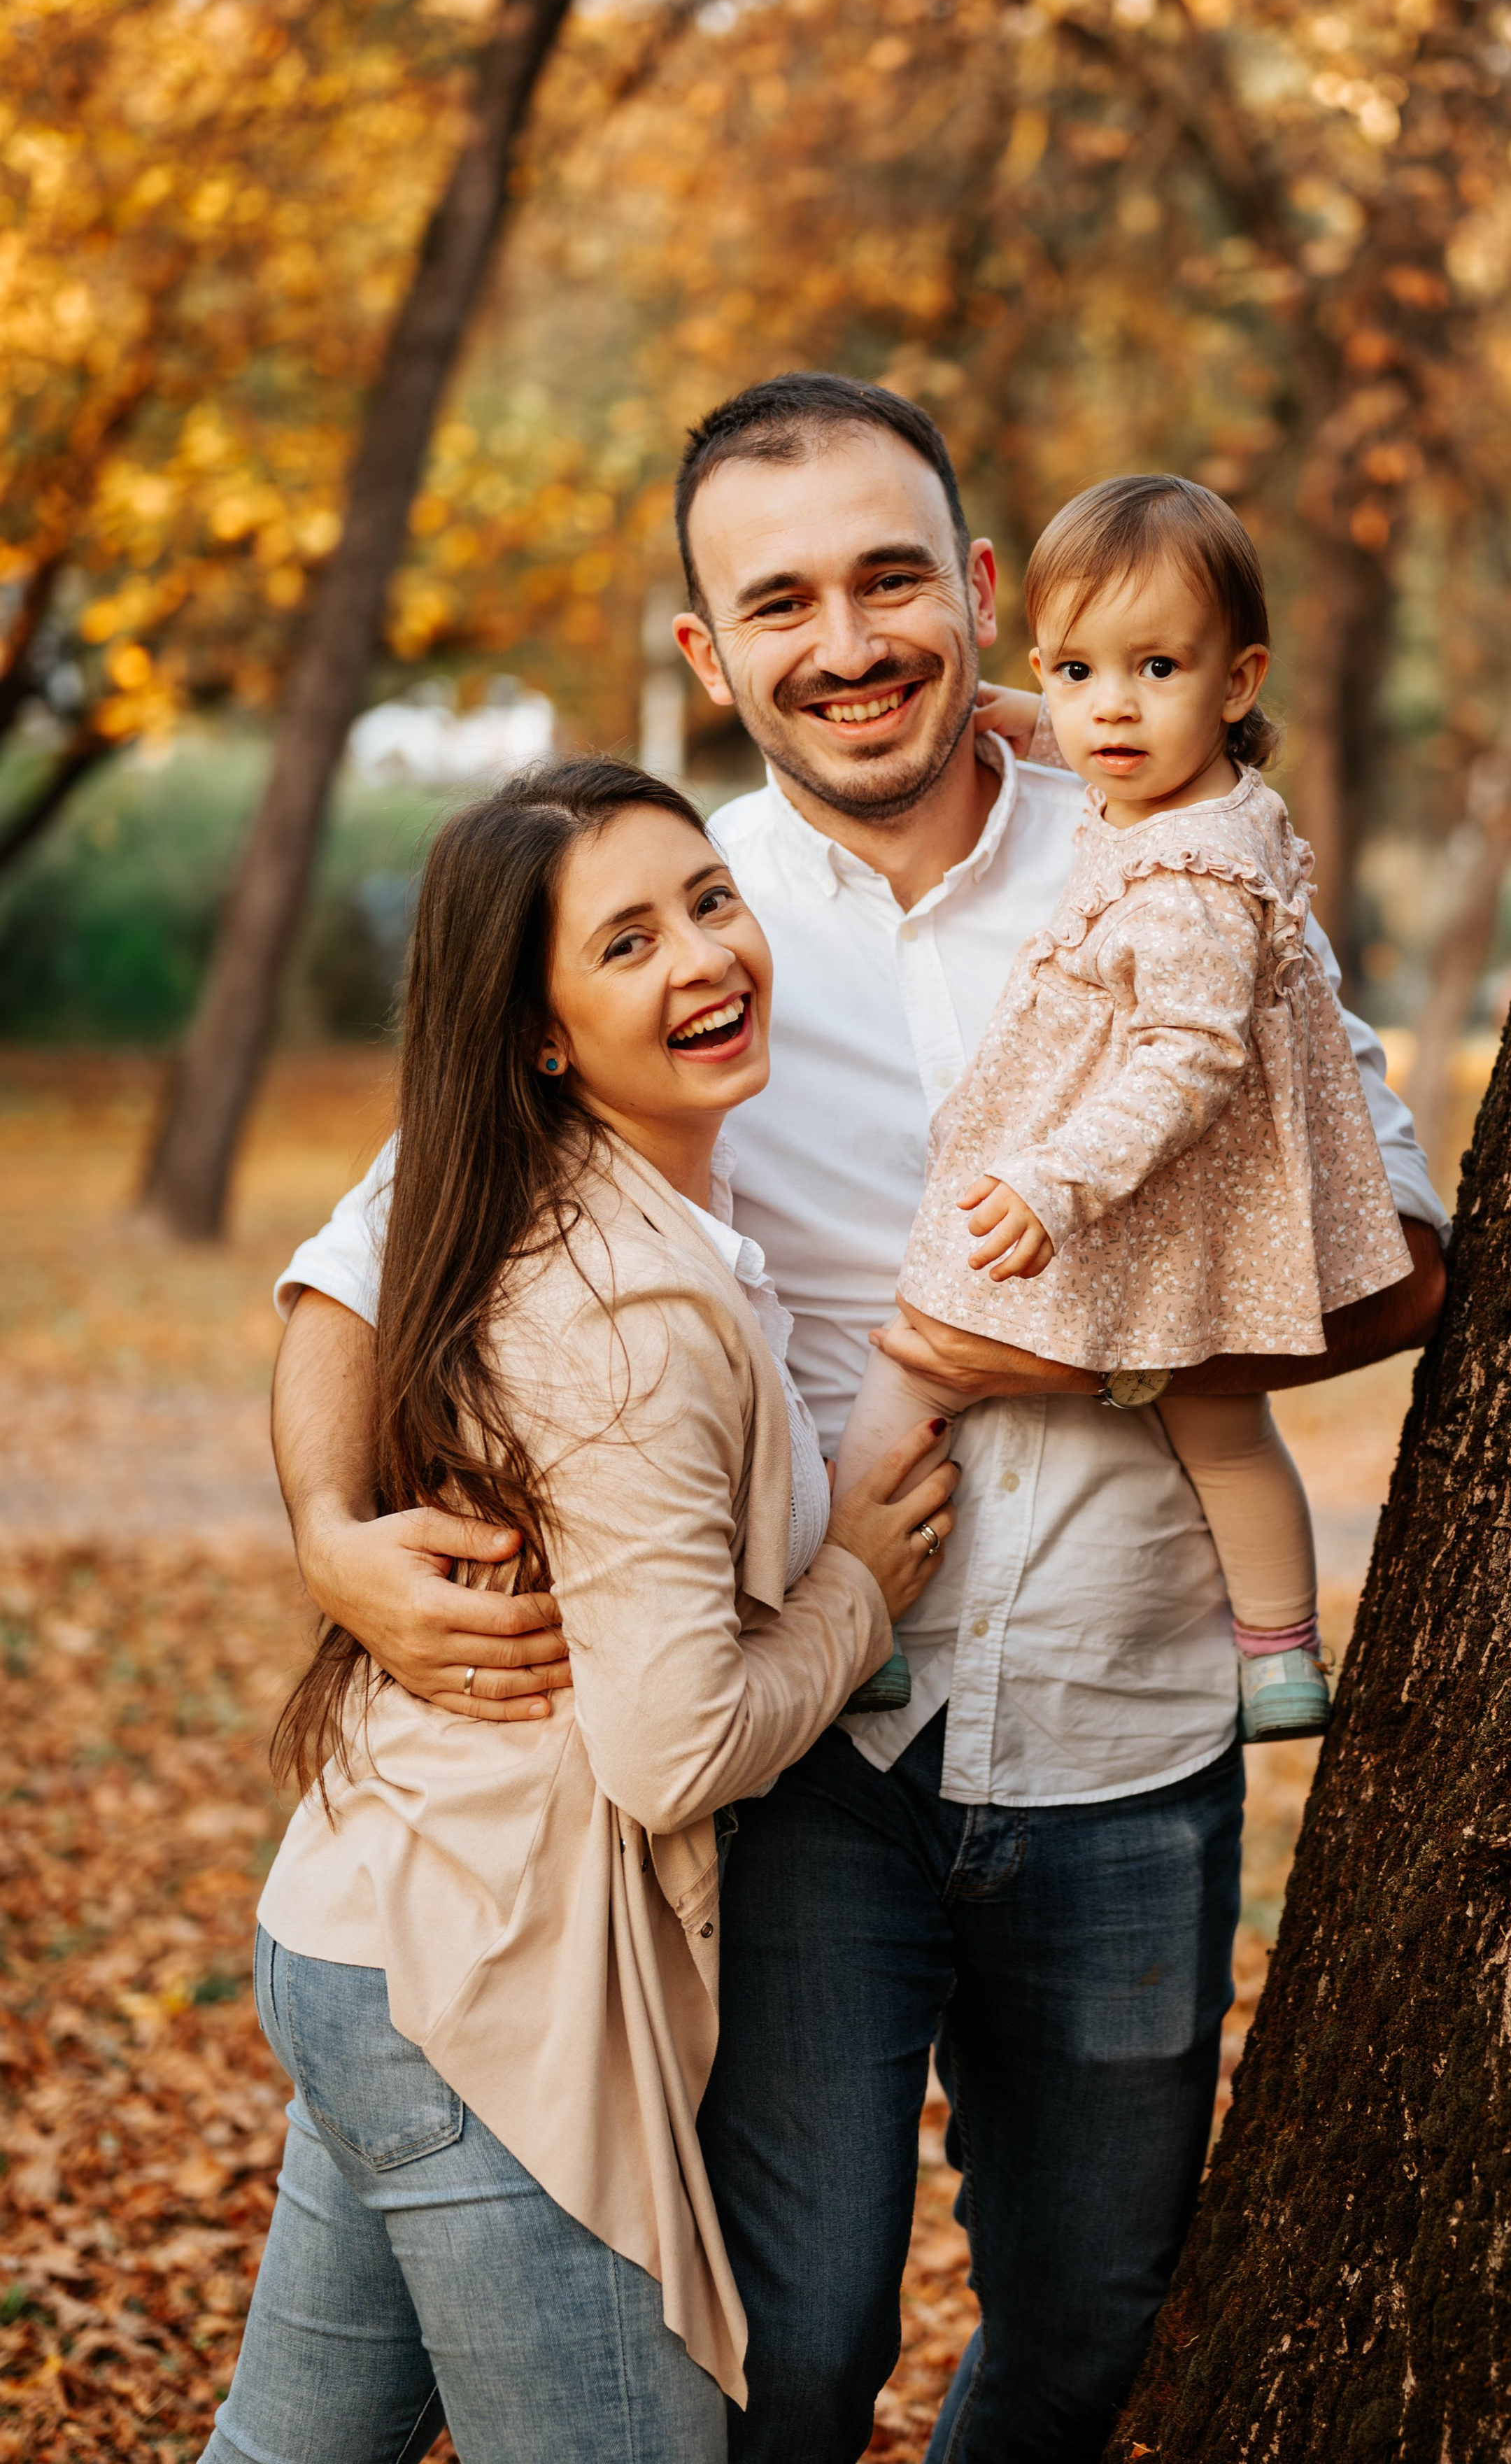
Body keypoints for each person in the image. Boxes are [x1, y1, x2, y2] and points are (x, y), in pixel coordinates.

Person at [269, 373, 1448, 2464]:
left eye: (893, 577)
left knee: (1094, 2319)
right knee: (791, 2355)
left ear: (979, 592)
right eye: (783, 602)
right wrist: (328, 1535)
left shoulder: (1179, 859)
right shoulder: (666, 915)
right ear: (714, 658)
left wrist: (1112, 1354)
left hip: (1118, 1732)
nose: (852, 642)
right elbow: (369, 1260)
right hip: (808, 1754)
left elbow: (1401, 1244)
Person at [209, 759, 957, 2464]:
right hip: (485, 1985)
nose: (701, 960)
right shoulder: (623, 1311)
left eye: (706, 903)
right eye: (624, 945)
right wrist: (855, 1586)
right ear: (541, 1033)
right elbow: (673, 1745)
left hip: (370, 1918)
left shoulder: (563, 1183)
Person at [833, 472, 1411, 1746]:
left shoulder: (1189, 879)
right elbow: (1103, 731)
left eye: (1157, 668)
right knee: (1219, 1425)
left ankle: (857, 1619)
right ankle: (1278, 1653)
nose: (1111, 711)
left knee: (909, 1362)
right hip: (1209, 1226)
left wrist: (1053, 1180)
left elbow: (1189, 1060)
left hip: (1125, 1191)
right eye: (1079, 673)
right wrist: (1025, 716)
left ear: (1240, 681)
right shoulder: (1205, 801)